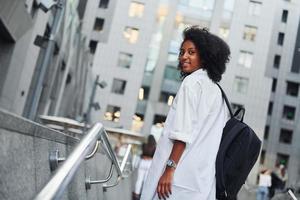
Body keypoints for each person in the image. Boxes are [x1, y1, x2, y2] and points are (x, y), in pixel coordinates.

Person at [140, 26, 230, 200]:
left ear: (204, 57)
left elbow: (182, 133)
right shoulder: (218, 92)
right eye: (182, 52)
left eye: (191, 52)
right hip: (202, 182)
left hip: (177, 178)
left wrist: (169, 169)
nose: (184, 57)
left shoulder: (191, 84)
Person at [133, 135, 157, 200]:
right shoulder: (154, 147)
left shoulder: (144, 145)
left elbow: (141, 154)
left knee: (139, 180)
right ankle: (143, 195)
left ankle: (136, 194)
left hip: (143, 162)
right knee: (146, 181)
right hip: (149, 164)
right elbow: (154, 157)